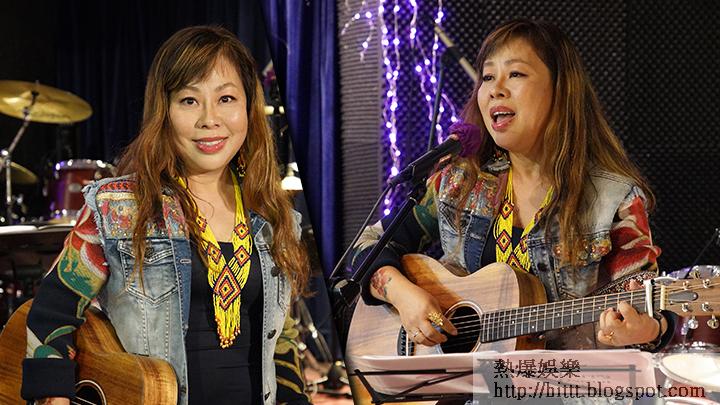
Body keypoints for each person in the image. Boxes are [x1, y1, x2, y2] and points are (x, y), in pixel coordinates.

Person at [21, 26, 311, 405]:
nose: (209, 119)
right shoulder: (119, 208)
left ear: (248, 109)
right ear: (164, 111)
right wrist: (54, 396)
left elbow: (282, 340)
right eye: (189, 101)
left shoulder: (273, 214)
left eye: (226, 98)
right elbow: (51, 313)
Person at [350, 19, 673, 353]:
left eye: (515, 74)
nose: (495, 89)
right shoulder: (460, 182)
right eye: (488, 77)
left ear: (561, 91)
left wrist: (649, 329)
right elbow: (366, 245)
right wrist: (403, 295)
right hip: (457, 382)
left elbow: (652, 307)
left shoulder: (614, 199)